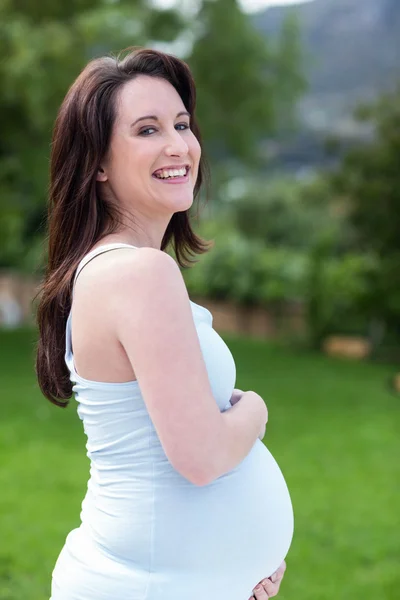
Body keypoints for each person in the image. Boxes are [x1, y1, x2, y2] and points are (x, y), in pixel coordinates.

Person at [35, 46, 294, 600]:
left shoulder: (122, 268)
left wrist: (236, 565)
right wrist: (256, 411)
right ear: (98, 162)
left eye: (181, 123)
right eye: (147, 130)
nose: (178, 145)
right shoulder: (137, 273)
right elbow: (201, 458)